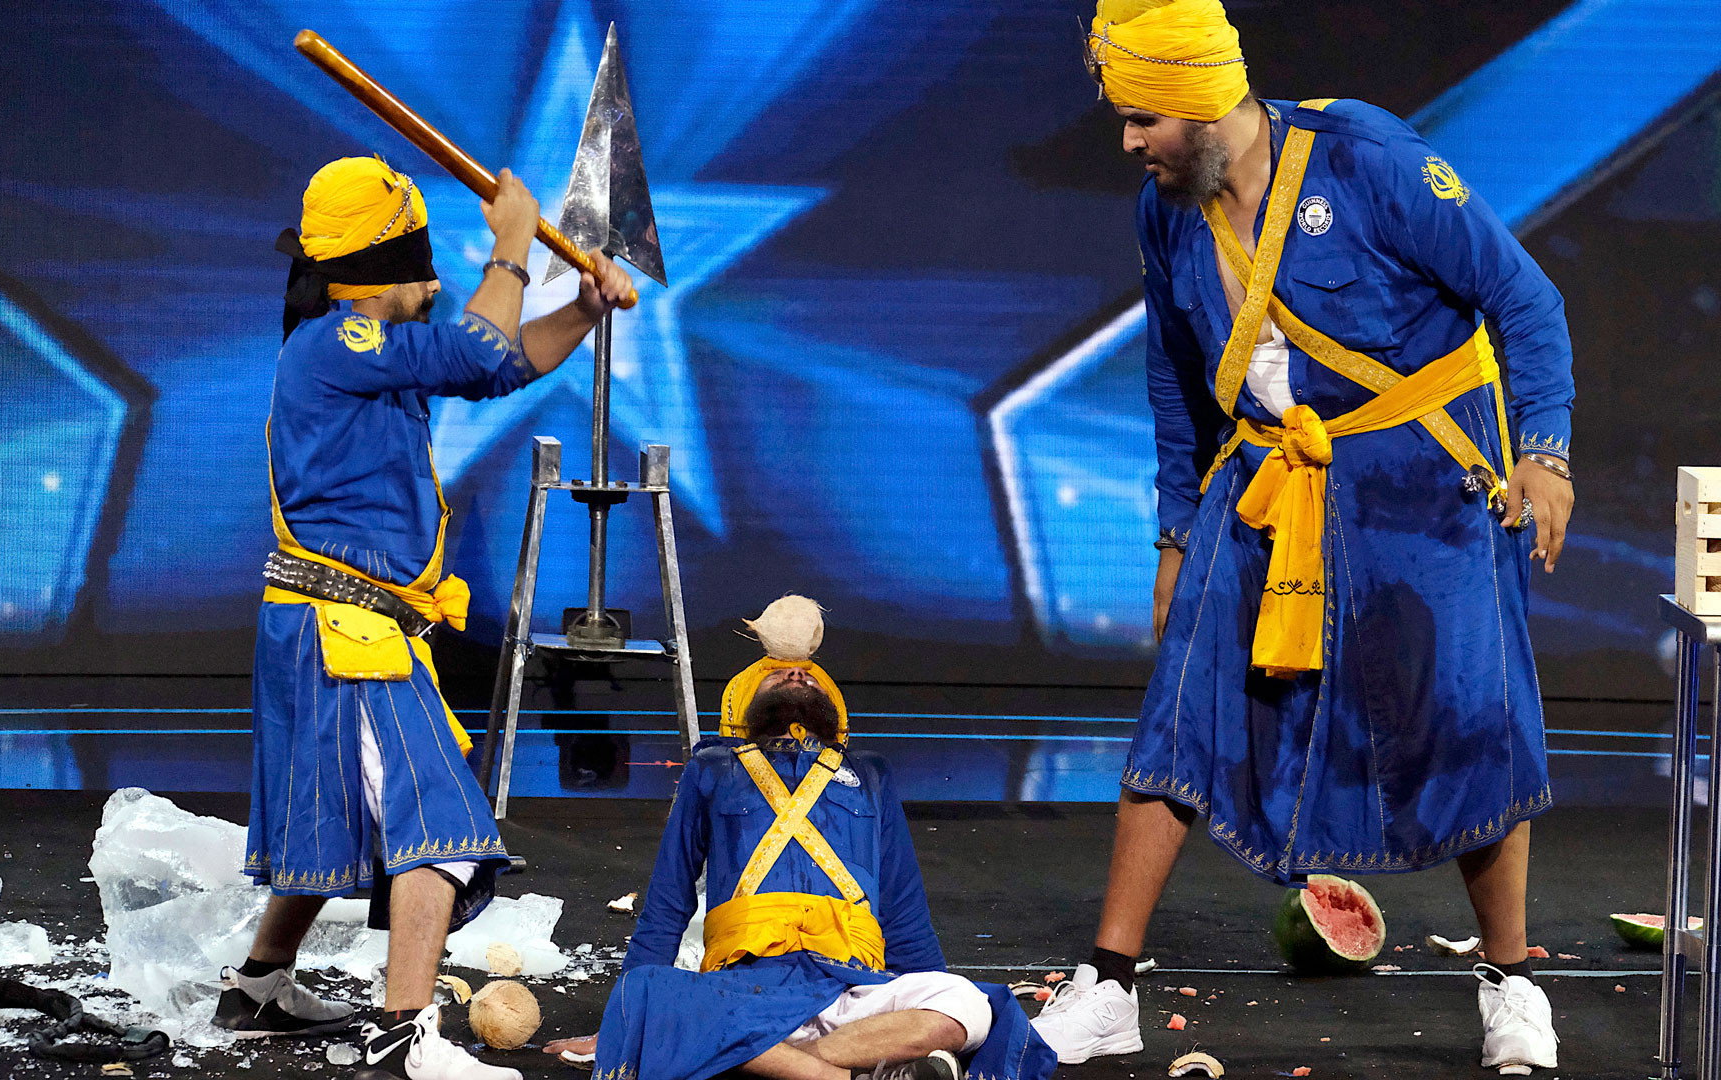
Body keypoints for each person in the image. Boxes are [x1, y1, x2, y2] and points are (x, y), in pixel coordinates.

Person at [1029, 1, 1575, 1074]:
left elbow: (1525, 298)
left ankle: (1512, 984)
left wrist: (1545, 455)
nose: (1129, 143)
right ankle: (1109, 986)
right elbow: (1175, 383)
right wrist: (1175, 535)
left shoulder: (1366, 158)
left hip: (1422, 490)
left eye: (1143, 119)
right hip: (1264, 488)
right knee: (1177, 718)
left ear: (1200, 105)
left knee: (1469, 723)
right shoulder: (1167, 213)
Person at [206, 155, 634, 1080]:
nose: (436, 285)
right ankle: (402, 1039)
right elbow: (479, 348)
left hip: (339, 628)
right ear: (377, 271)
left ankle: (258, 990)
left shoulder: (371, 354)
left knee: (334, 818)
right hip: (343, 633)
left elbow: (500, 365)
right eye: (420, 268)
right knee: (437, 825)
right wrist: (512, 243)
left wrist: (582, 309)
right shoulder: (338, 340)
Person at [546, 647, 1057, 1080]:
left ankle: (779, 1064)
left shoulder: (870, 774)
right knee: (651, 994)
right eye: (777, 672)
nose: (796, 672)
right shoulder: (713, 769)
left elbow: (904, 911)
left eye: (809, 674)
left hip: (852, 991)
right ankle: (852, 1073)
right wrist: (617, 1023)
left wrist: (919, 998)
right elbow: (666, 902)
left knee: (965, 1003)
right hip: (743, 989)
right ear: (746, 700)